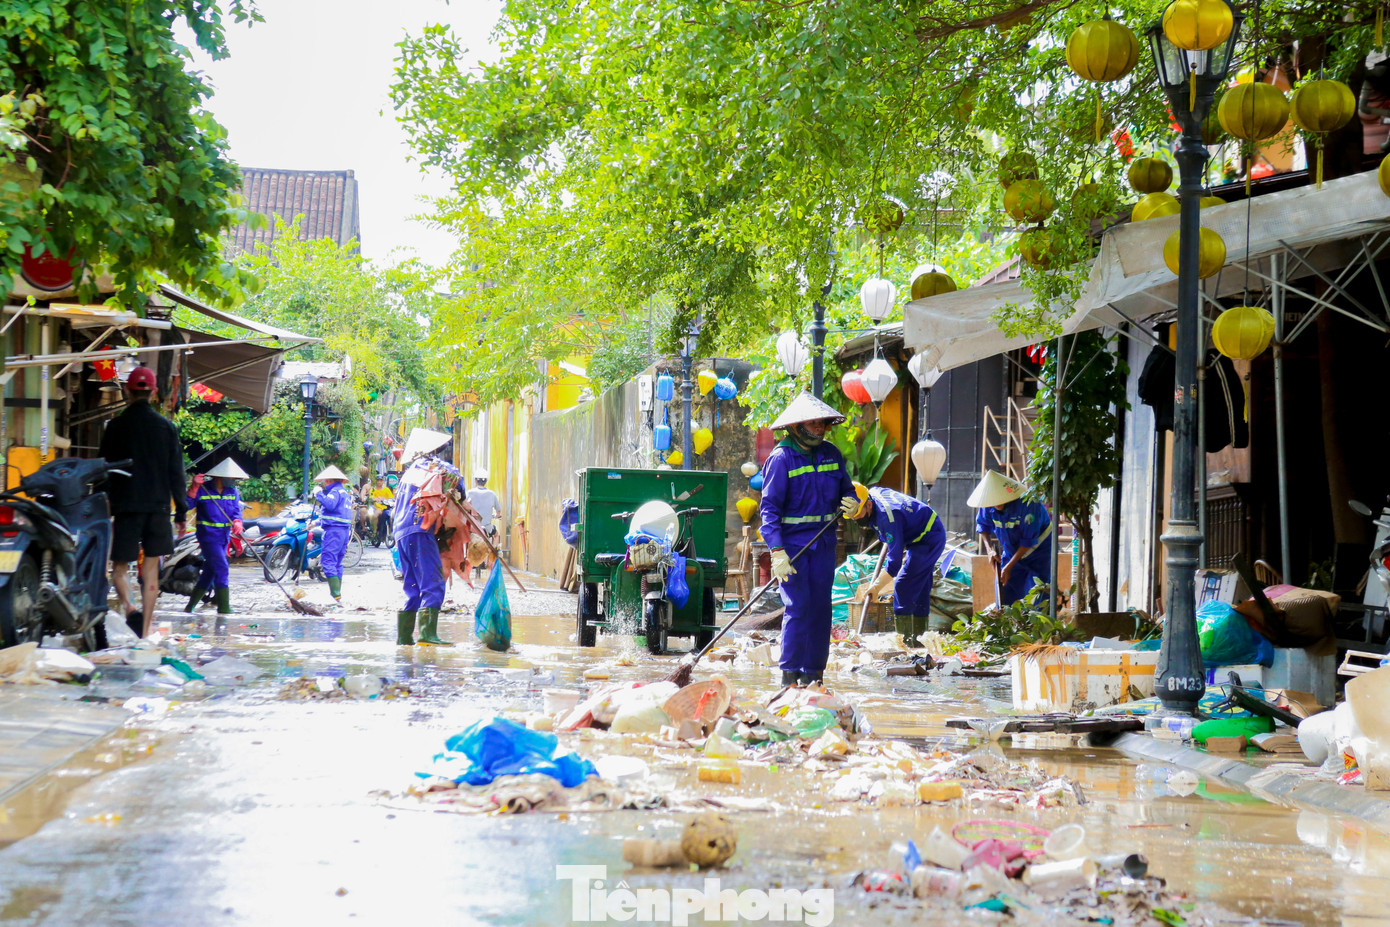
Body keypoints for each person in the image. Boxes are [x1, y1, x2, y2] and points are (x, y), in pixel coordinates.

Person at [759, 393, 856, 687]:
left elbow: (847, 490)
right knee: (798, 608)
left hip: (824, 545)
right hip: (792, 549)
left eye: (822, 424)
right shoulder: (781, 459)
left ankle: (814, 675)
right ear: (797, 426)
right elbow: (769, 510)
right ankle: (790, 676)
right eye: (812, 423)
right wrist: (776, 552)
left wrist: (852, 503)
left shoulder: (832, 454)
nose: (818, 428)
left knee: (821, 609)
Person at [99, 365, 188, 638]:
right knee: (150, 569)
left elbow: (104, 469)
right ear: (154, 392)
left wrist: (105, 502)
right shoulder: (167, 428)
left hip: (126, 506)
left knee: (120, 567)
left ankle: (129, 608)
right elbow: (176, 472)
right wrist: (181, 511)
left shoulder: (115, 426)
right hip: (158, 507)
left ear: (127, 390)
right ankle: (145, 630)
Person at [848, 482, 947, 645]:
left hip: (929, 537)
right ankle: (920, 640)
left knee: (903, 585)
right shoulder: (870, 493)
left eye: (857, 514)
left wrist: (877, 587)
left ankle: (906, 641)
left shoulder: (888, 517)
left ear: (869, 505)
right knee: (921, 587)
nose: (854, 518)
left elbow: (894, 564)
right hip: (918, 536)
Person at [392, 428, 454, 646]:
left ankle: (404, 636)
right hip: (419, 529)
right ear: (434, 451)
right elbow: (457, 480)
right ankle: (428, 634)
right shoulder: (434, 467)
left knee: (412, 585)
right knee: (432, 581)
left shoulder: (409, 472)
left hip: (401, 532)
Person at [970, 470, 1053, 607]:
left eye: (998, 501)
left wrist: (1008, 567)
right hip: (1010, 550)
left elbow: (1028, 541)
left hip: (1038, 552)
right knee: (1005, 593)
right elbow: (983, 527)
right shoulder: (988, 504)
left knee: (1039, 593)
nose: (995, 504)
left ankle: (1036, 626)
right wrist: (990, 550)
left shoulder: (1029, 505)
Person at [185, 458, 248, 614]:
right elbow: (187, 505)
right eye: (231, 477)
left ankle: (190, 606)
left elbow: (235, 511)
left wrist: (238, 521)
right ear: (220, 476)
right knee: (222, 567)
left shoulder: (233, 492)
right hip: (207, 537)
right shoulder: (203, 489)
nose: (233, 481)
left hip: (223, 538)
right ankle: (223, 607)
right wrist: (194, 487)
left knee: (210, 572)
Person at [311, 466, 353, 607]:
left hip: (333, 532)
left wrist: (318, 494)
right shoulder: (344, 493)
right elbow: (335, 514)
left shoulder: (334, 491)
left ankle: (335, 596)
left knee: (328, 561)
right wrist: (315, 522)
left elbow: (329, 505)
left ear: (328, 480)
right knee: (337, 563)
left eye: (324, 481)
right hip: (343, 532)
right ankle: (337, 595)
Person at [465, 469, 500, 539]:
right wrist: (496, 515)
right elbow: (498, 511)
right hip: (487, 529)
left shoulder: (469, 493)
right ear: (486, 481)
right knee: (496, 535)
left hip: (473, 528)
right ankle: (496, 550)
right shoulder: (492, 494)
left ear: (475, 481)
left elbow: (464, 505)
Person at [370, 477, 394, 547]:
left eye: (381, 480)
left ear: (383, 481)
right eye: (378, 480)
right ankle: (374, 531)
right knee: (375, 515)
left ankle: (391, 531)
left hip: (386, 508)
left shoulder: (386, 490)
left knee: (392, 516)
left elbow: (391, 498)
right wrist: (375, 499)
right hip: (378, 508)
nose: (379, 482)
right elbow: (371, 497)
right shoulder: (373, 490)